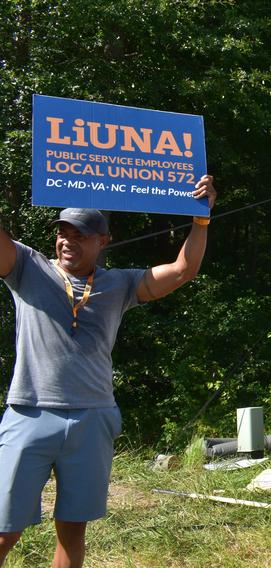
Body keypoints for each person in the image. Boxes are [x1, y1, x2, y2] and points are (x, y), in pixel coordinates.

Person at [0, 177, 216, 567]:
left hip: (93, 416)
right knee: (4, 530)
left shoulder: (120, 284)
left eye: (79, 234)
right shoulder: (28, 267)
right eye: (62, 233)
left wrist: (201, 219)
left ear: (103, 240)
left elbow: (183, 270)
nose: (67, 241)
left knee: (72, 528)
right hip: (30, 413)